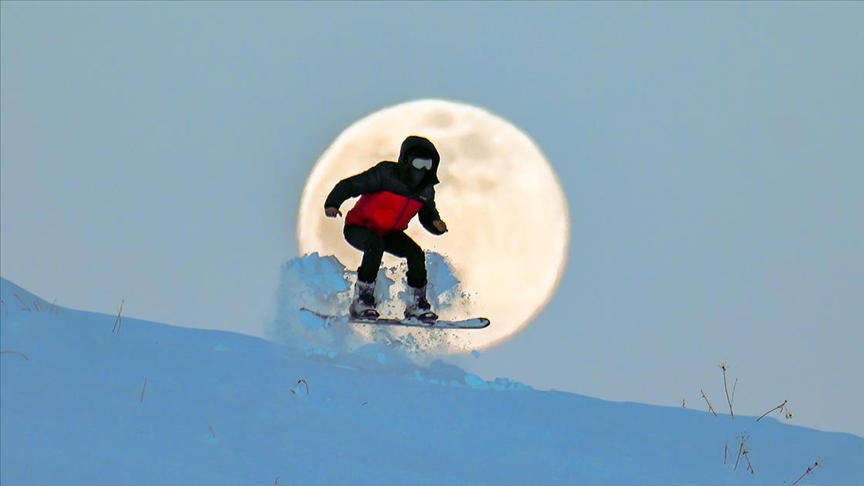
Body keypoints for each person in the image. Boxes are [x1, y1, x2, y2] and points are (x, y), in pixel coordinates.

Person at [324, 135, 448, 322]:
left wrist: (435, 224)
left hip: (390, 233)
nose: (422, 170)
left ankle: (417, 304)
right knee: (375, 245)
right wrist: (333, 203)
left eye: (427, 165)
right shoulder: (386, 174)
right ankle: (362, 300)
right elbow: (351, 185)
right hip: (359, 226)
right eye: (418, 163)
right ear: (406, 161)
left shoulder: (426, 190)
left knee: (415, 254)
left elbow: (427, 214)